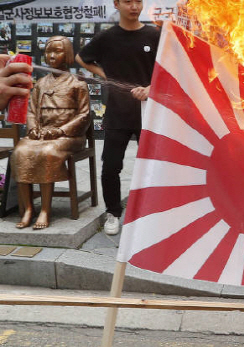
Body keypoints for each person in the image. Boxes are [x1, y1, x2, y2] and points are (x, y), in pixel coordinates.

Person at [76, 0, 160, 235]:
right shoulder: (107, 37)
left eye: (138, 1)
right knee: (111, 166)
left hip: (149, 112)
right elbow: (82, 59)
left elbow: (168, 68)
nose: (134, 6)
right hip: (117, 111)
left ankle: (152, 213)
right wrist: (106, 75)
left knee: (153, 167)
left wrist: (151, 87)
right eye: (127, 1)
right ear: (117, 4)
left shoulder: (154, 35)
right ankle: (113, 213)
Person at [11, 36, 90, 229]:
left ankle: (45, 210)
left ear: (68, 54)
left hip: (69, 137)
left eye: (57, 51)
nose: (52, 55)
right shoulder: (40, 84)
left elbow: (84, 115)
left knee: (47, 153)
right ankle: (28, 209)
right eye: (48, 52)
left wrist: (60, 130)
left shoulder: (77, 83)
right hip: (42, 134)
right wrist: (33, 129)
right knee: (20, 153)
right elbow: (31, 111)